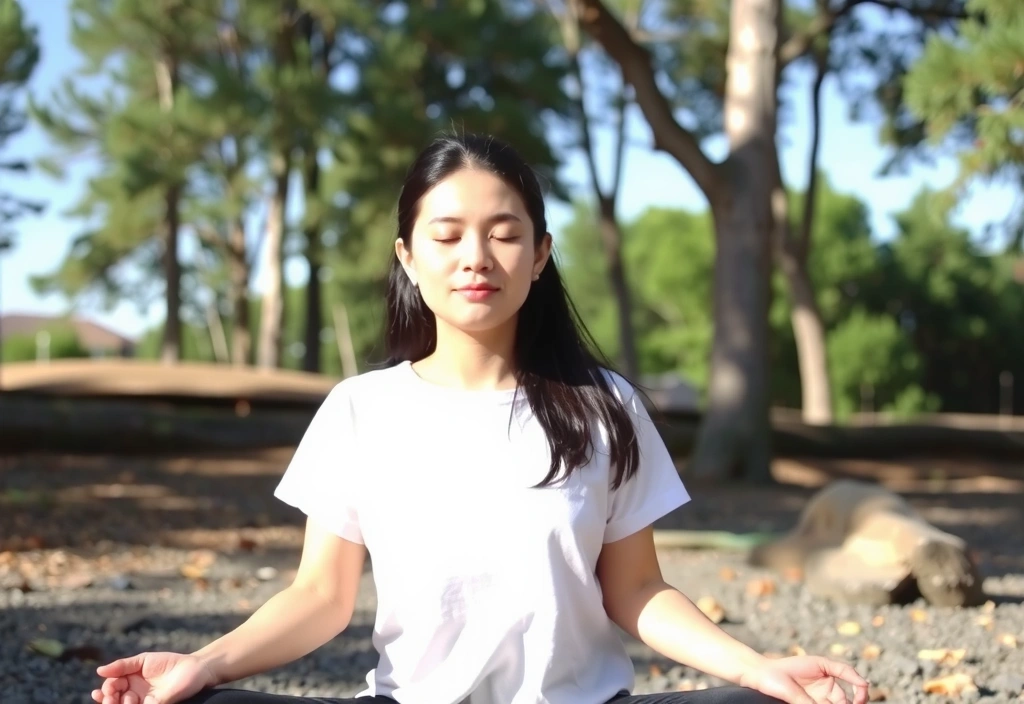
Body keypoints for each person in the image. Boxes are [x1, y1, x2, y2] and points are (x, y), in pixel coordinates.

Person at [91, 133, 869, 704]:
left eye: (504, 234)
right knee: (195, 701)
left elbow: (637, 591)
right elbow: (320, 597)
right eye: (448, 235)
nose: (476, 257)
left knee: (779, 701)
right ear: (407, 256)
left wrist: (754, 666)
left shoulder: (605, 406)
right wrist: (209, 662)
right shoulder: (361, 409)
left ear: (539, 255)